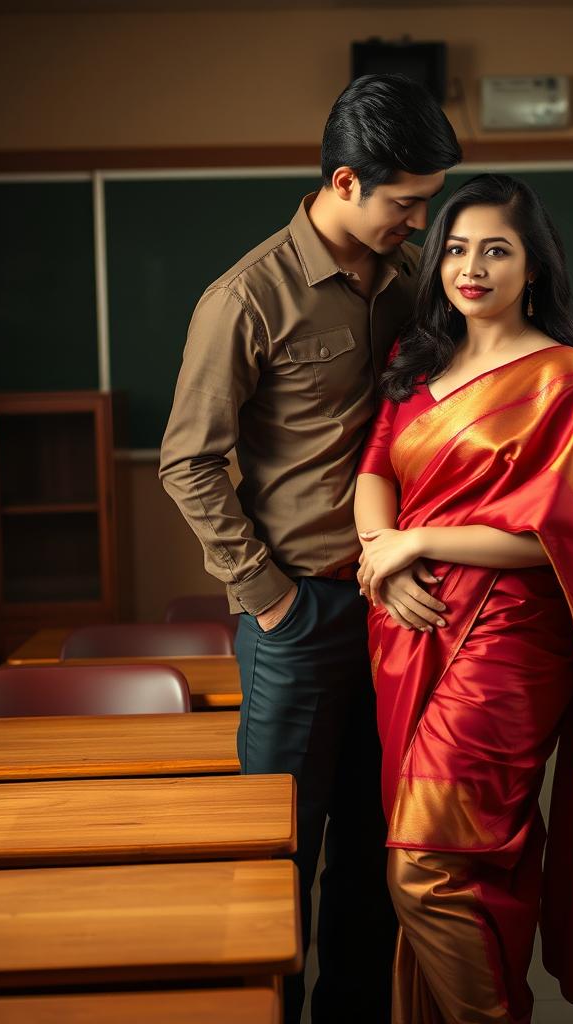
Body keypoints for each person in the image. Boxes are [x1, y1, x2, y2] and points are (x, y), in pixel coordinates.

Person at [159, 75, 461, 1024]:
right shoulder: (245, 300)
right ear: (344, 181)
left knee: (379, 850)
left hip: (397, 606)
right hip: (300, 615)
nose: (421, 222)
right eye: (407, 202)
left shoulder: (413, 282)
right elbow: (188, 465)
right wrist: (272, 601)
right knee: (281, 854)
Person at [354, 173, 573, 1023]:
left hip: (514, 637)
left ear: (534, 268)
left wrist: (420, 541)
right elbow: (373, 470)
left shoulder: (563, 382)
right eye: (455, 247)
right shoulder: (417, 359)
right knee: (473, 861)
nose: (470, 267)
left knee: (423, 865)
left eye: (496, 250)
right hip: (409, 628)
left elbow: (567, 540)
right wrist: (383, 554)